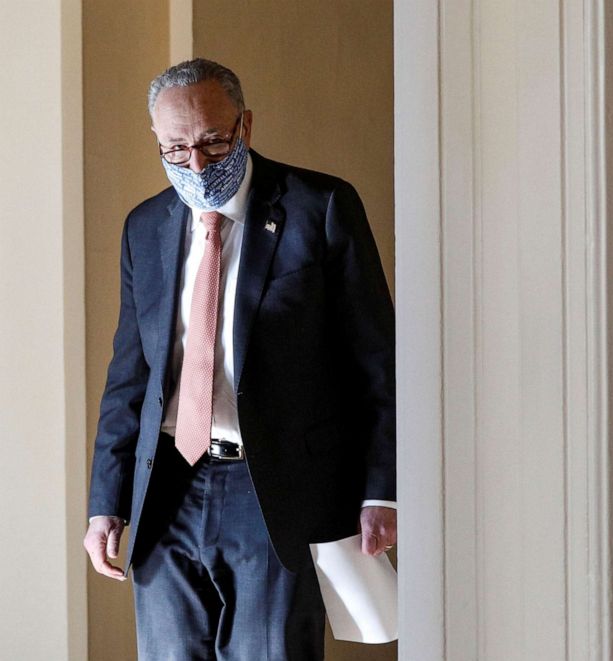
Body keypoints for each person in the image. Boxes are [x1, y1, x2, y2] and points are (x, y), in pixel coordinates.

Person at [82, 58, 397, 660]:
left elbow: (375, 359)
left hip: (273, 488)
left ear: (245, 124)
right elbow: (130, 375)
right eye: (175, 148)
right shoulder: (144, 226)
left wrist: (381, 491)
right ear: (157, 140)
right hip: (166, 486)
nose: (195, 163)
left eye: (211, 141)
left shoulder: (320, 206)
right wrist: (106, 502)